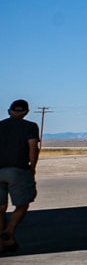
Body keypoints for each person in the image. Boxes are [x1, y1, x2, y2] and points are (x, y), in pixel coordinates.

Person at [1, 99, 41, 253]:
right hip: (18, 170)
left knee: (0, 208)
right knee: (22, 203)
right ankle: (9, 232)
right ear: (26, 112)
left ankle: (3, 243)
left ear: (9, 112)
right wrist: (32, 167)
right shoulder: (30, 127)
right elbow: (33, 148)